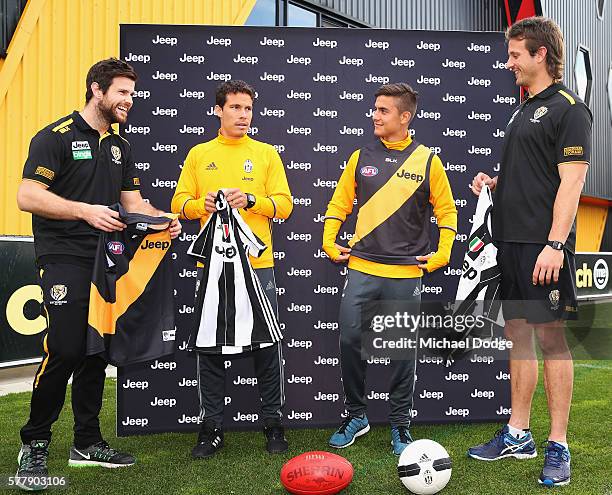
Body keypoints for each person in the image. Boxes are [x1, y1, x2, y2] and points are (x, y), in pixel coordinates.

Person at [15, 58, 181, 491]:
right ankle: (34, 441)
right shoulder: (56, 137)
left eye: (132, 93)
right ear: (97, 90)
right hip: (63, 258)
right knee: (67, 348)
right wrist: (83, 211)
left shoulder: (119, 147)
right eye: (123, 92)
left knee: (95, 351)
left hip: (106, 261)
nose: (130, 100)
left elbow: (134, 203)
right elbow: (28, 195)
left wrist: (165, 219)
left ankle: (87, 442)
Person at [469, 17, 591, 487]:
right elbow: (534, 173)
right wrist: (496, 184)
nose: (509, 63)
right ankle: (518, 433)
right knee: (517, 336)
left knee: (552, 342)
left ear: (541, 54)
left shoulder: (568, 109)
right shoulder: (522, 109)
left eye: (516, 54)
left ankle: (558, 444)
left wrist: (556, 245)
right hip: (510, 244)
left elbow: (572, 181)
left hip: (545, 248)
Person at [322, 83, 458, 456]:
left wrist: (443, 251)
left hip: (405, 274)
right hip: (362, 268)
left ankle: (400, 424)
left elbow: (447, 211)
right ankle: (356, 415)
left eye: (383, 110)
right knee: (350, 341)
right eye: (374, 109)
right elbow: (339, 203)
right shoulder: (359, 155)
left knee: (399, 352)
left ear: (404, 117)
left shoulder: (428, 160)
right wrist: (329, 239)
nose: (375, 115)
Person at [171, 80, 293, 459]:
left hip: (259, 267)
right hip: (214, 268)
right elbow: (179, 202)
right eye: (236, 107)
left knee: (267, 347)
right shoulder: (199, 153)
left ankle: (274, 424)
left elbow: (285, 205)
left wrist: (253, 200)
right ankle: (211, 429)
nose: (243, 115)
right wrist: (201, 205)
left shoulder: (266, 153)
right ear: (218, 110)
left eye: (248, 108)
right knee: (209, 348)